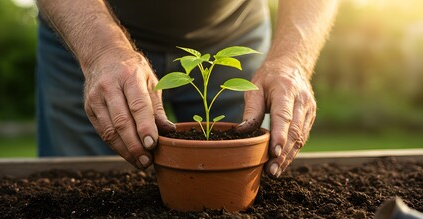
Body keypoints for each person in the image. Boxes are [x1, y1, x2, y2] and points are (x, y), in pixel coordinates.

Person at [36, 0, 338, 177]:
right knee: (78, 182)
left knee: (241, 170)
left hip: (233, 32)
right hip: (87, 30)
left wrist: (292, 60)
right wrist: (100, 52)